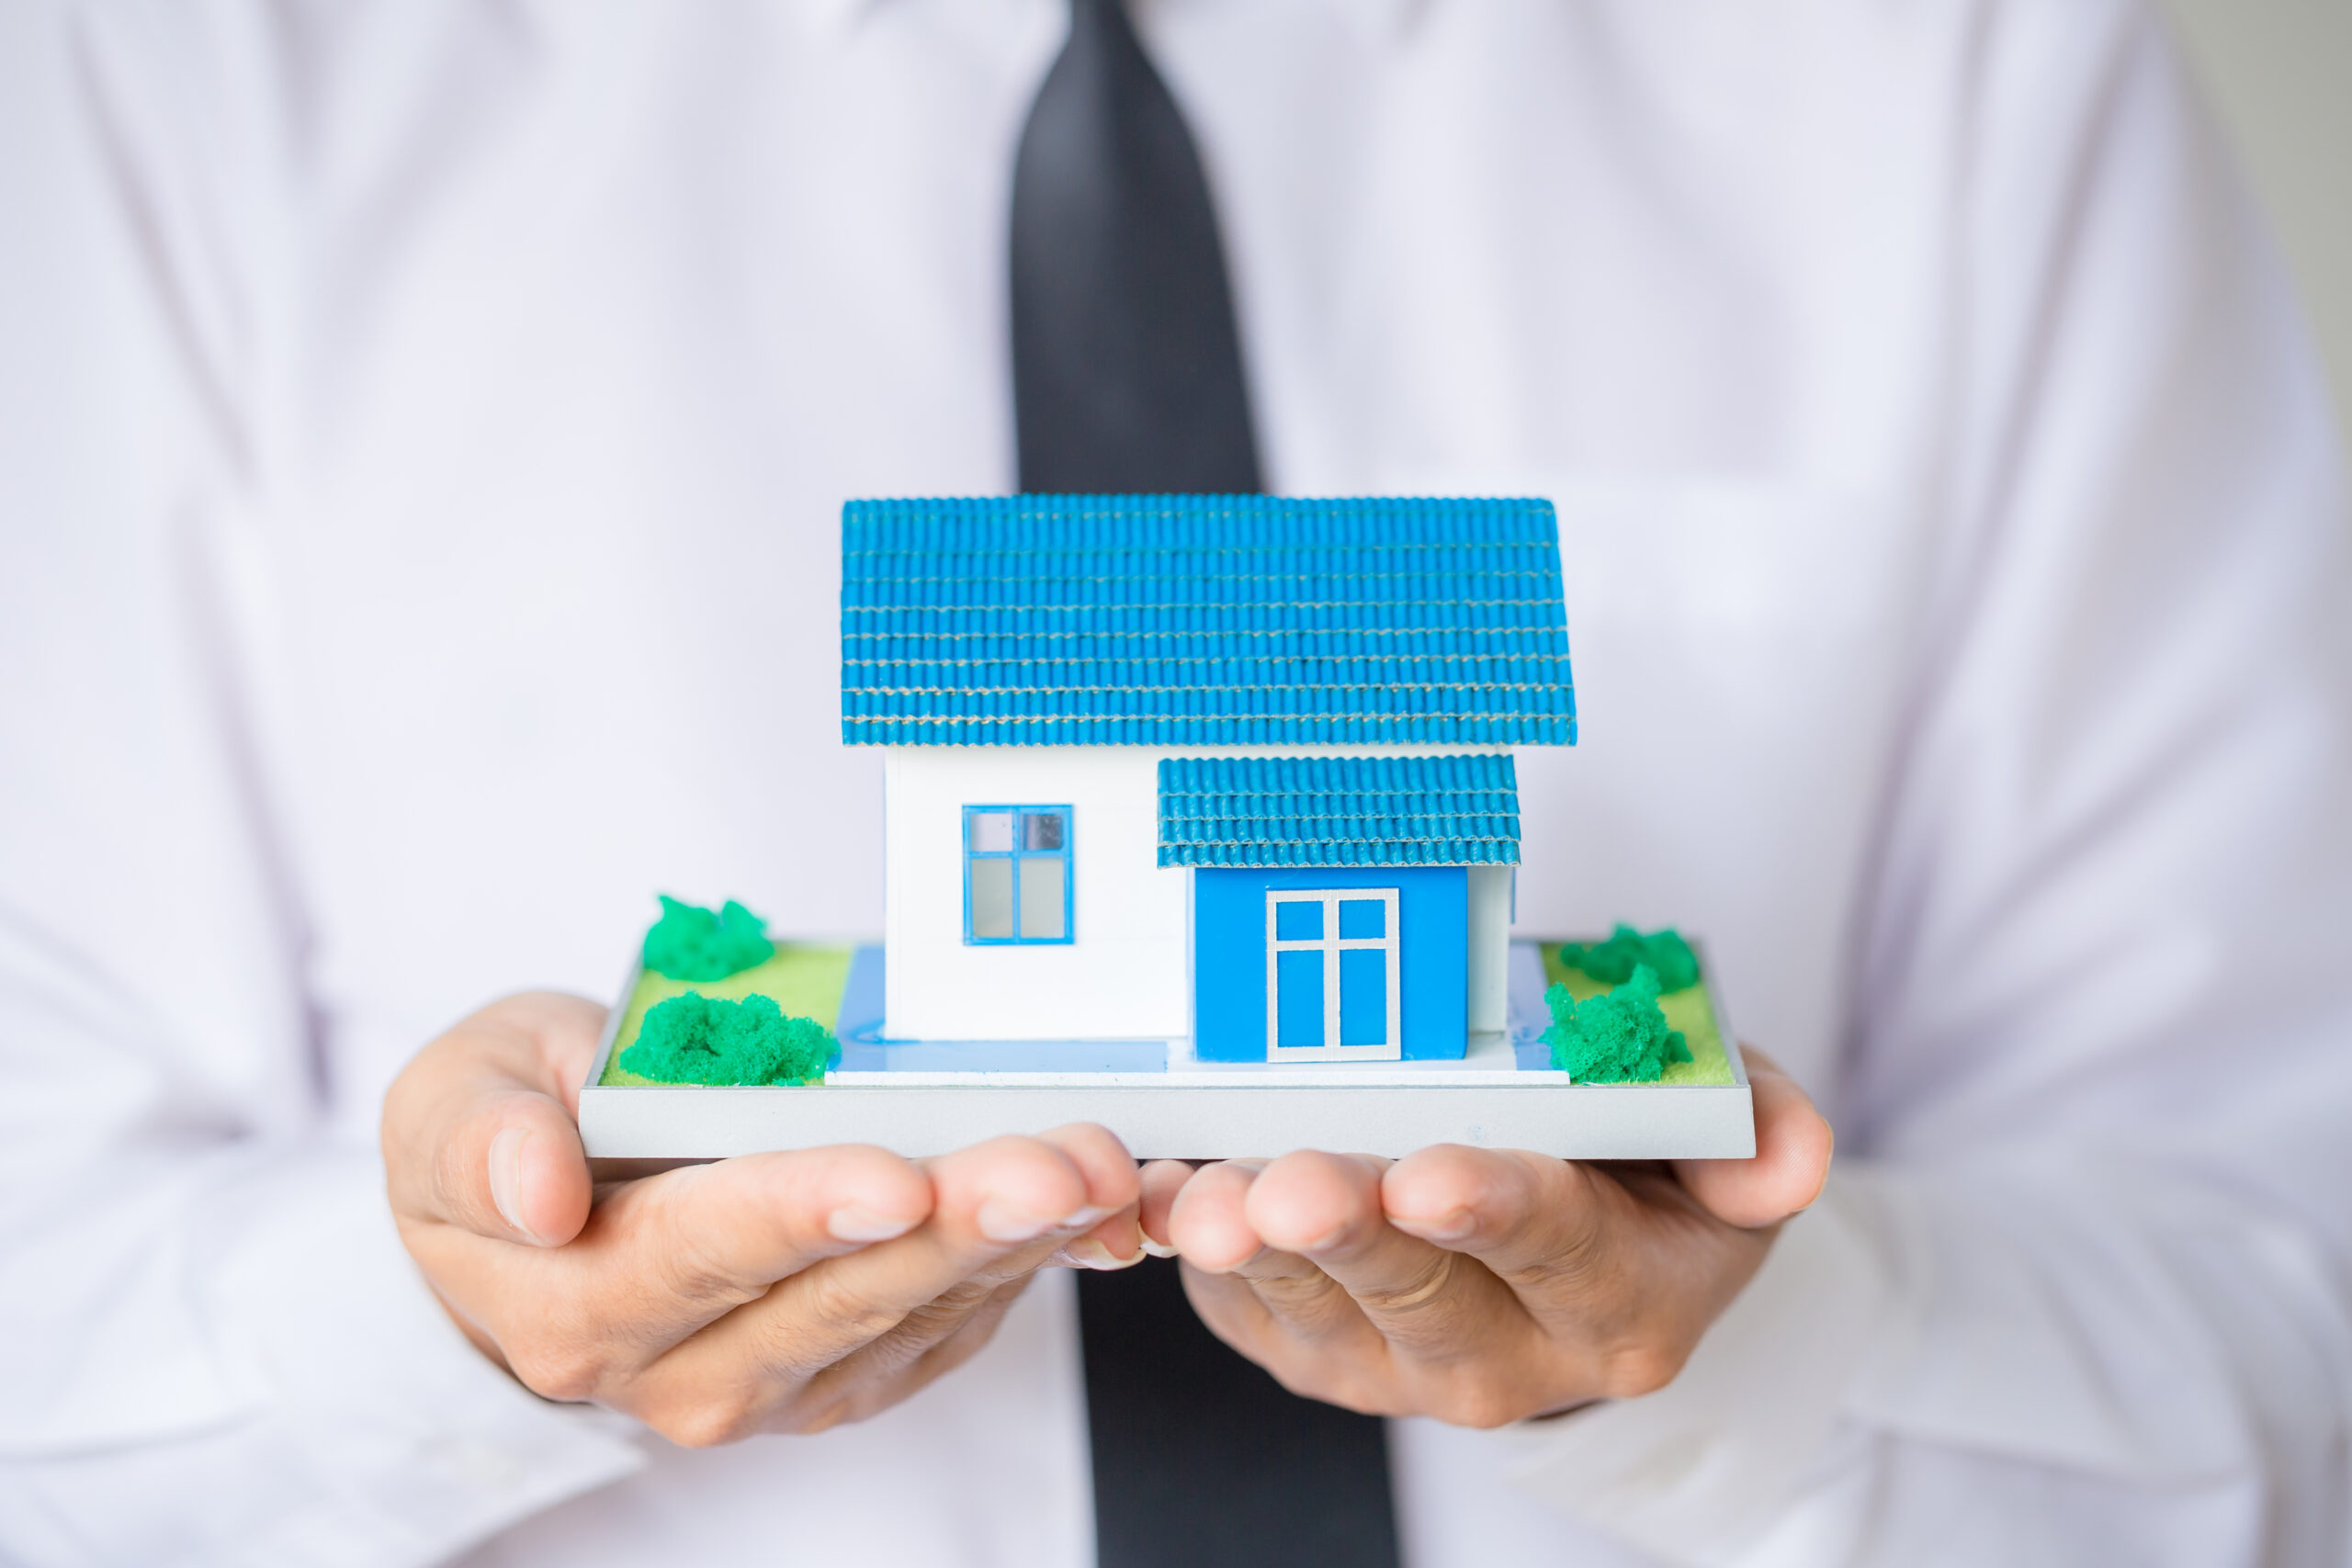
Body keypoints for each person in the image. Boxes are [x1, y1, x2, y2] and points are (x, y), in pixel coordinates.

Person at [2, 2, 2346, 1566]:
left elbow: (2287, 1284)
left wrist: (1770, 1333)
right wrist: (454, 1318)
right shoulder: (173, 69)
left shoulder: (1954, 56)